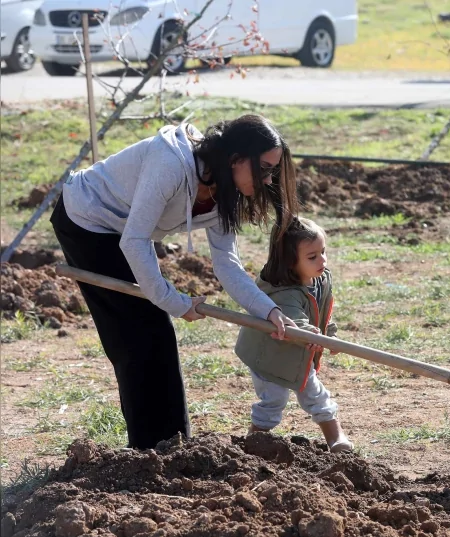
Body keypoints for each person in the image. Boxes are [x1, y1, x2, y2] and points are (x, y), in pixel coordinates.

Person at [50, 114, 299, 450]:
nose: (269, 180)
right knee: (138, 335)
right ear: (236, 159)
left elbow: (227, 264)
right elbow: (135, 241)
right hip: (87, 219)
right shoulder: (171, 162)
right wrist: (175, 303)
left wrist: (269, 311)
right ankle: (150, 452)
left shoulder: (225, 191)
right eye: (265, 169)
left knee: (153, 332)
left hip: (125, 230)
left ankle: (172, 447)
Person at [234, 217, 353, 453]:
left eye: (323, 252)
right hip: (269, 356)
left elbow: (319, 310)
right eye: (312, 256)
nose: (322, 260)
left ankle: (336, 436)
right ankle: (254, 442)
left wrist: (329, 334)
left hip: (297, 354)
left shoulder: (319, 279)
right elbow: (293, 325)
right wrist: (311, 334)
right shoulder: (283, 292)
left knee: (315, 394)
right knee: (274, 400)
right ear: (289, 262)